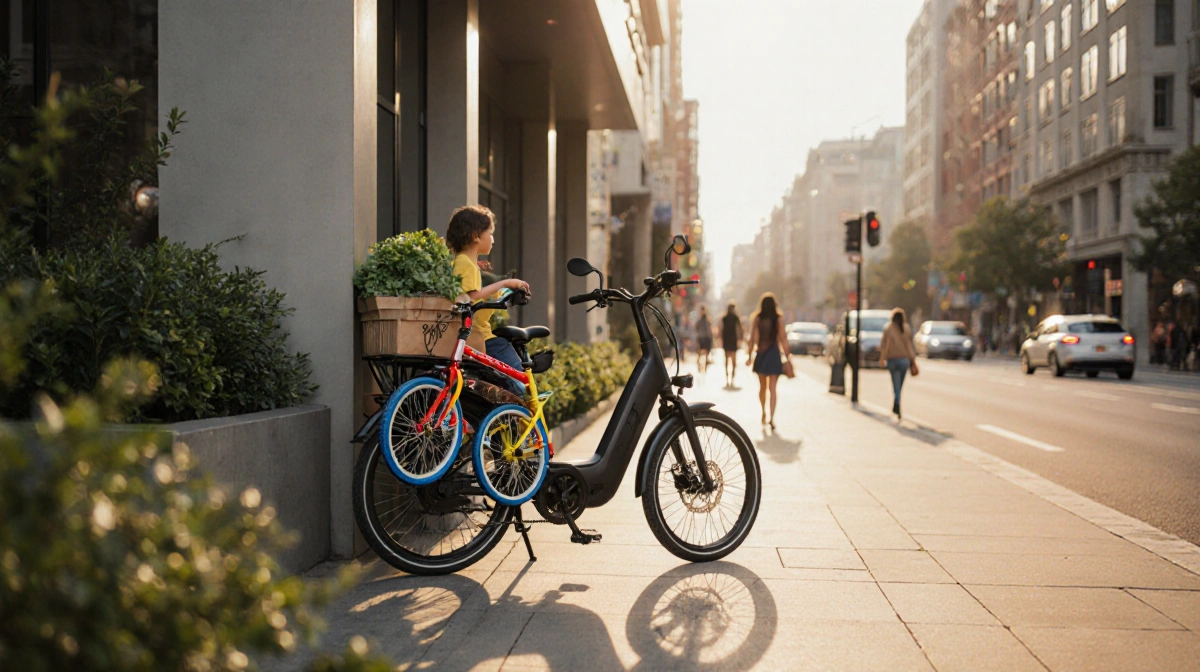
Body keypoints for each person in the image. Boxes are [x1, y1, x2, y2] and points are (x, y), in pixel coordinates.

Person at [446, 205, 532, 374]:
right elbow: (471, 298)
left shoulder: (467, 264)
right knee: (520, 384)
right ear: (475, 236)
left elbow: (477, 296)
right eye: (490, 233)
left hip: (477, 338)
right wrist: (504, 284)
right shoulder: (464, 263)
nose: (493, 239)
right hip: (482, 339)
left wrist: (506, 293)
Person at [746, 293, 790, 428]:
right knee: (773, 388)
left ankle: (763, 411)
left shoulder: (757, 319)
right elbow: (783, 339)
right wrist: (788, 358)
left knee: (762, 387)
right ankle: (772, 417)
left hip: (761, 354)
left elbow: (752, 338)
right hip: (774, 355)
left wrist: (749, 356)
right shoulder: (779, 319)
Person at [879, 307, 918, 419]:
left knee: (895, 383)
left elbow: (884, 345)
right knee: (900, 384)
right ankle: (897, 401)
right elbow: (909, 346)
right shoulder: (906, 328)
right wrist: (912, 359)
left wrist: (882, 358)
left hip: (892, 360)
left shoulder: (888, 328)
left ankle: (897, 401)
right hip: (904, 361)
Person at [721, 303, 745, 388]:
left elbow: (721, 329)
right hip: (732, 340)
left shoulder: (724, 318)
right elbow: (740, 329)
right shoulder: (736, 318)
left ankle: (728, 378)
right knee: (733, 361)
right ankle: (732, 378)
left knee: (727, 360)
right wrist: (741, 339)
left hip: (726, 340)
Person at [695, 306, 713, 372]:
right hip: (701, 337)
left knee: (706, 353)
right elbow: (696, 328)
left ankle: (705, 367)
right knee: (699, 353)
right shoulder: (699, 320)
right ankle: (699, 365)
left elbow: (710, 328)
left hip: (706, 337)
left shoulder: (707, 319)